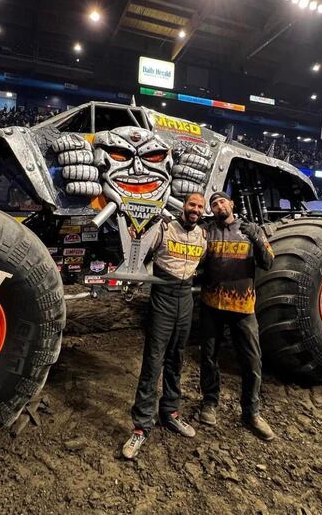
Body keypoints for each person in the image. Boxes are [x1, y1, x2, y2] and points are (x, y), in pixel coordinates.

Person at [122, 192, 207, 459]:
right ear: (184, 206)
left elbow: (201, 264)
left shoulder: (203, 236)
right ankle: (141, 427)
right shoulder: (164, 227)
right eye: (192, 204)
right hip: (163, 296)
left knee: (176, 359)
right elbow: (140, 253)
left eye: (200, 207)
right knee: (153, 360)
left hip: (186, 297)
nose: (195, 209)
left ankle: (170, 412)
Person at [198, 191, 275, 441]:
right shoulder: (207, 230)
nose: (218, 205)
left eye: (222, 201)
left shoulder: (250, 229)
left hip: (243, 308)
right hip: (211, 305)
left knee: (252, 362)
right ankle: (210, 402)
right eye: (214, 204)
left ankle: (251, 412)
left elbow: (268, 263)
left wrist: (258, 239)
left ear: (231, 204)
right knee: (208, 357)